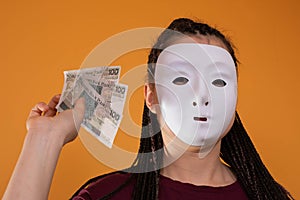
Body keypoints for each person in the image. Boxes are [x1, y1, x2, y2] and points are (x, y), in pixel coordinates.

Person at [3, 18, 294, 200]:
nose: (202, 95)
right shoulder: (106, 196)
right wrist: (44, 138)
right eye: (181, 79)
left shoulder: (270, 196)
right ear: (150, 97)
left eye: (219, 81)